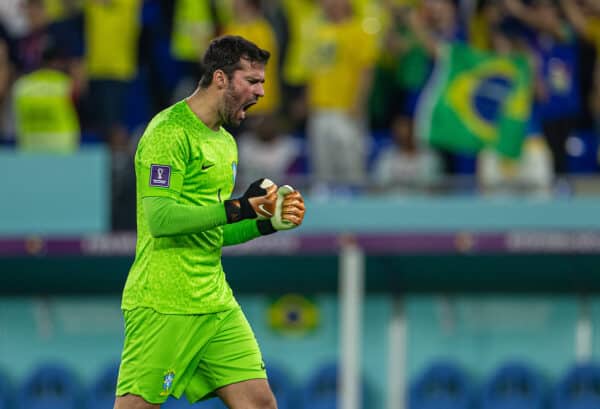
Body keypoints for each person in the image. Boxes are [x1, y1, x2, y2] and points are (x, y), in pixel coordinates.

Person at [114, 35, 306, 409]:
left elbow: (212, 231)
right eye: (252, 81)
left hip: (214, 303)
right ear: (221, 78)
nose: (262, 91)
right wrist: (241, 207)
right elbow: (162, 220)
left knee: (259, 402)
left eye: (263, 81)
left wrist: (265, 222)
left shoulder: (225, 142)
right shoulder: (168, 132)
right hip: (163, 303)